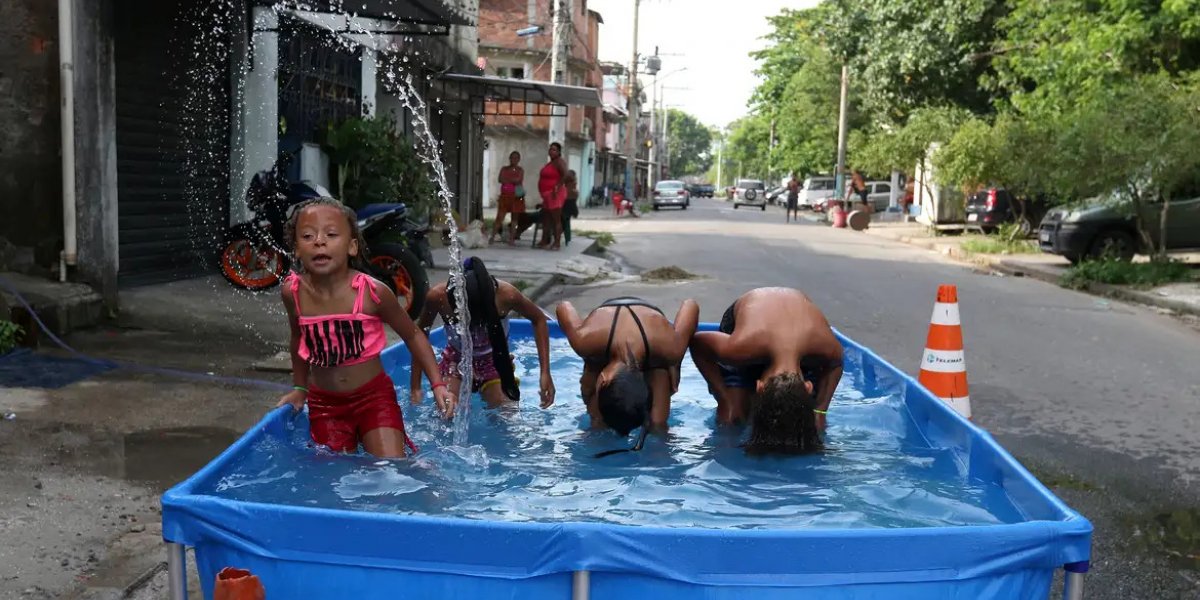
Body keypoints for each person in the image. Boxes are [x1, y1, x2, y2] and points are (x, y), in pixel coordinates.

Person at [275, 198, 455, 458]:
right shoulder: (293, 293)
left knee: (391, 467)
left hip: (373, 398)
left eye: (331, 234)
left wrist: (437, 384)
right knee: (335, 477)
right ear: (297, 250)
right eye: (307, 235)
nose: (319, 241)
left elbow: (413, 334)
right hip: (325, 404)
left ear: (351, 247)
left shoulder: (371, 292)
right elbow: (298, 340)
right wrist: (300, 389)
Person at [689, 287, 844, 454]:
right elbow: (698, 343)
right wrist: (723, 397)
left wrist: (820, 410)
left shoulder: (823, 347)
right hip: (746, 327)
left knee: (804, 417)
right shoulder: (740, 348)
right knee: (731, 416)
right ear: (808, 386)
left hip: (797, 336)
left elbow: (836, 364)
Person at [556, 296, 699, 453]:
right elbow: (563, 306)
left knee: (658, 422)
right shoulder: (586, 342)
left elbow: (691, 305)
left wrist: (674, 363)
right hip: (604, 342)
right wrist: (588, 361)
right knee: (597, 418)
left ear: (602, 379)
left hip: (653, 346)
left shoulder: (669, 348)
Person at [412, 257, 556, 409]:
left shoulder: (506, 295)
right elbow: (418, 335)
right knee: (446, 410)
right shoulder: (438, 297)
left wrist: (545, 373)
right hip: (457, 359)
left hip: (493, 360)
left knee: (506, 414)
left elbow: (539, 319)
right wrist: (415, 386)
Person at [490, 151, 525, 245]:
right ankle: (492, 237)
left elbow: (518, 180)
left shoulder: (520, 170)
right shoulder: (504, 169)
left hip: (516, 197)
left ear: (519, 159)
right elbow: (500, 179)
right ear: (509, 158)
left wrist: (507, 180)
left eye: (516, 158)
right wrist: (512, 181)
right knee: (499, 218)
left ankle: (512, 239)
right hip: (504, 196)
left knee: (514, 219)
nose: (514, 160)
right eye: (512, 157)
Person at [537, 142, 568, 250]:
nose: (551, 151)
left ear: (559, 152)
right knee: (546, 219)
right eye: (550, 149)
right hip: (546, 195)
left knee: (556, 219)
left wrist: (557, 187)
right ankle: (544, 240)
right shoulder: (550, 163)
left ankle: (557, 242)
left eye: (554, 150)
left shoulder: (559, 162)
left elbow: (565, 175)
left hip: (555, 194)